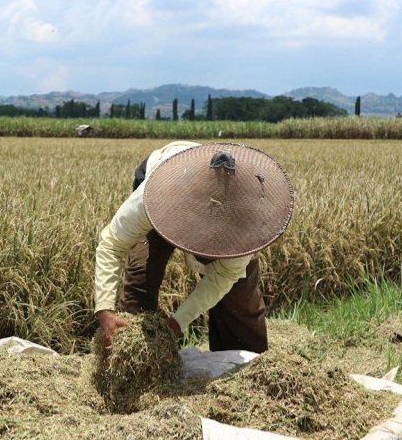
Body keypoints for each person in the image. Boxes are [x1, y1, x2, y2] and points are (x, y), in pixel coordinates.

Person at [94, 141, 293, 353]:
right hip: (169, 188)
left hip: (228, 210)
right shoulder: (153, 197)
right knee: (140, 280)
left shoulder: (248, 223)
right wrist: (105, 310)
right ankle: (128, 360)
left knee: (240, 297)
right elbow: (112, 244)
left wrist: (178, 322)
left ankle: (245, 368)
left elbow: (223, 277)